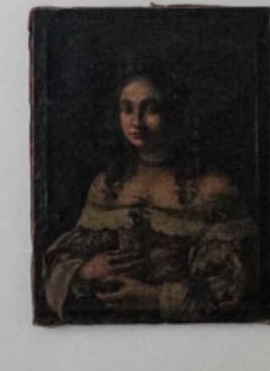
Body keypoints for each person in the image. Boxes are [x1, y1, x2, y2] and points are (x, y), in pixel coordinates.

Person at [42, 63, 258, 322]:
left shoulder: (212, 189)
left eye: (151, 109)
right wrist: (85, 271)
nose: (136, 121)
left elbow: (234, 289)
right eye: (127, 109)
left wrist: (155, 297)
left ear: (175, 112)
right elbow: (56, 265)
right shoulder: (108, 185)